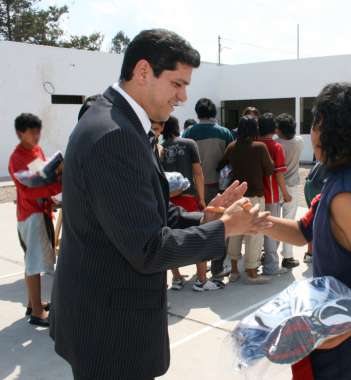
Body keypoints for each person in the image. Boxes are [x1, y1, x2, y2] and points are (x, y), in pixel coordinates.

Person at [49, 29, 270, 380]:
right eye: (177, 83)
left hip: (102, 317)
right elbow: (148, 248)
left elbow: (153, 215)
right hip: (111, 333)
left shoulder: (117, 122)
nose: (183, 96)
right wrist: (226, 229)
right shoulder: (115, 134)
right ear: (142, 72)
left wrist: (208, 214)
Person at [263, 83, 351, 379]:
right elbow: (304, 232)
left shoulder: (347, 196)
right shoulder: (341, 178)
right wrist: (258, 222)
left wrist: (340, 333)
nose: (312, 133)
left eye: (317, 124)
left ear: (339, 132)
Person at [8, 113, 62, 327]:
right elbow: (28, 191)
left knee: (34, 260)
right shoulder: (16, 158)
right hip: (30, 215)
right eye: (32, 132)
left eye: (39, 131)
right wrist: (58, 187)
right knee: (34, 264)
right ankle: (38, 313)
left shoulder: (36, 151)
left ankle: (34, 303)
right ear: (20, 133)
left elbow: (41, 177)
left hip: (41, 212)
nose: (37, 136)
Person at [162, 116, 223, 291]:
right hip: (188, 197)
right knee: (199, 236)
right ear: (177, 127)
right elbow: (198, 173)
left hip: (168, 200)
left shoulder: (160, 148)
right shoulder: (189, 144)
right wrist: (202, 198)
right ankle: (201, 279)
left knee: (170, 238)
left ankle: (177, 278)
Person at [218, 116, 275, 284]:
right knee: (255, 233)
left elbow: (221, 164)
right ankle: (251, 271)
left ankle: (234, 270)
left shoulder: (232, 147)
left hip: (236, 197)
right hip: (255, 196)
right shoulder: (260, 147)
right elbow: (269, 170)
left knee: (235, 233)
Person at [184, 98, 235, 278]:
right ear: (214, 113)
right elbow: (231, 161)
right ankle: (217, 266)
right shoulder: (225, 133)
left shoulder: (188, 132)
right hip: (220, 187)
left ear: (197, 113)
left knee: (199, 227)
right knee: (221, 226)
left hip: (196, 189)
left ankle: (200, 267)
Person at [258, 113, 292, 275]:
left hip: (254, 195)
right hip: (271, 194)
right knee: (271, 230)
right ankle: (271, 266)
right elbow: (279, 174)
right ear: (273, 128)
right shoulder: (275, 147)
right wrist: (285, 193)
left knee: (255, 229)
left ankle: (253, 263)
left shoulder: (254, 144)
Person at [274, 113, 303, 269]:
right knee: (289, 221)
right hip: (291, 186)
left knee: (273, 221)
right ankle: (288, 256)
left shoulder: (275, 143)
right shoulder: (299, 141)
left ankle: (270, 253)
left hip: (276, 186)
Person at [302, 161, 328, 264]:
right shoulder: (341, 158)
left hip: (309, 185)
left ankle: (310, 253)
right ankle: (311, 253)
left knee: (313, 218)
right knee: (318, 221)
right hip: (317, 186)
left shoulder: (327, 155)